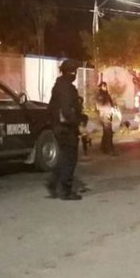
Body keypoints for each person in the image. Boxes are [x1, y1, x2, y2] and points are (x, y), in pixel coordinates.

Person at [45, 59, 85, 201]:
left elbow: (51, 107)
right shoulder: (67, 88)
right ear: (70, 72)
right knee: (70, 159)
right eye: (74, 71)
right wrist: (78, 123)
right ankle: (65, 191)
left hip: (59, 127)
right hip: (66, 128)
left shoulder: (58, 86)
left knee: (63, 157)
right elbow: (67, 111)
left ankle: (53, 184)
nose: (75, 74)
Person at [96, 81, 116, 155]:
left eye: (105, 86)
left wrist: (113, 108)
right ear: (101, 87)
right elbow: (100, 106)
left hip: (108, 114)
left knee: (106, 132)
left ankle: (103, 147)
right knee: (108, 132)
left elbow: (110, 103)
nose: (105, 87)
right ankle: (109, 149)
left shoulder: (106, 94)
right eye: (103, 86)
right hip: (105, 115)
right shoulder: (100, 95)